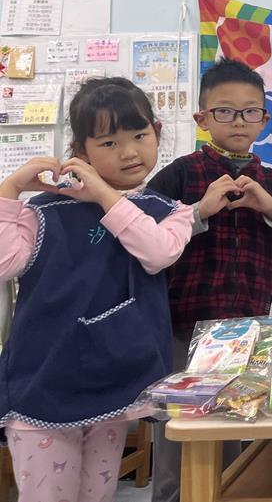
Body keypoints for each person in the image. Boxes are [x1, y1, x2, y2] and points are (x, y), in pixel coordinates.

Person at [0, 77, 193, 502]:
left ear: (157, 132)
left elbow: (157, 252)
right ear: (81, 152)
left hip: (112, 384)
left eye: (140, 135)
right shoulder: (44, 211)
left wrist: (104, 195)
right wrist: (10, 190)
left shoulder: (168, 212)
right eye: (108, 143)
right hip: (42, 382)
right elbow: (5, 263)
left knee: (97, 494)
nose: (129, 152)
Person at [148, 58, 272, 502]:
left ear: (264, 119)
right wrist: (199, 211)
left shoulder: (270, 180)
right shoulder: (180, 173)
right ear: (202, 118)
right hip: (184, 329)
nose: (238, 121)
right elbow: (145, 240)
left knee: (235, 427)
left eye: (250, 111)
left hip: (246, 331)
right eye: (225, 111)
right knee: (179, 434)